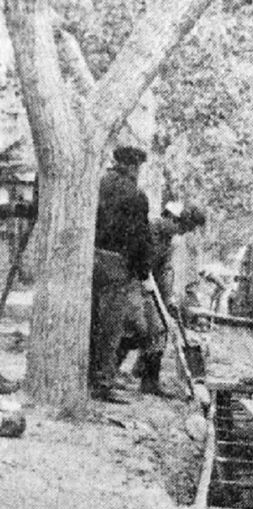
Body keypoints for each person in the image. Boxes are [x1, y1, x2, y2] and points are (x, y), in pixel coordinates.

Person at [121, 201, 206, 395]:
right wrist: (140, 277)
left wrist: (169, 299)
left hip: (148, 286)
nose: (181, 232)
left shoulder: (169, 240)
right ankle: (109, 372)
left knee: (159, 329)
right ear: (170, 218)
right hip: (130, 282)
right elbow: (132, 255)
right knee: (136, 327)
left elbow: (165, 271)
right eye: (181, 226)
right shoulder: (148, 229)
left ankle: (149, 382)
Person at [90, 145, 153, 401]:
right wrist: (142, 269)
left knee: (93, 322)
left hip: (92, 258)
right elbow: (141, 237)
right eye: (137, 167)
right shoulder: (136, 194)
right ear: (131, 166)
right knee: (112, 326)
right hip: (117, 264)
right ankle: (103, 381)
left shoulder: (98, 184)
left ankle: (91, 376)